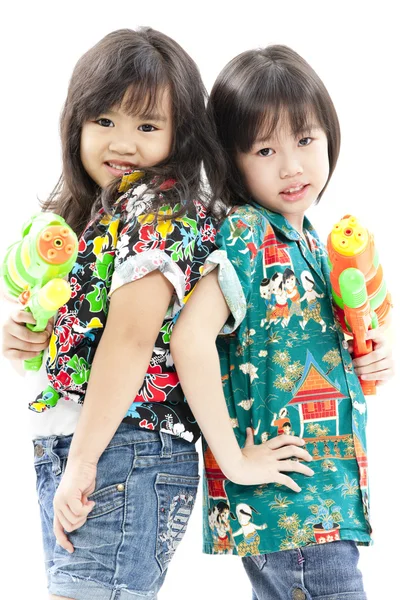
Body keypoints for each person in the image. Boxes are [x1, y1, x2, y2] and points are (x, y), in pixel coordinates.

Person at [1, 26, 228, 600]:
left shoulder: (157, 205)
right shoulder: (107, 215)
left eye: (147, 126)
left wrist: (81, 464)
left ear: (181, 136)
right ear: (75, 124)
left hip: (121, 450)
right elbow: (107, 330)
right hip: (102, 447)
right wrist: (41, 333)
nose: (121, 142)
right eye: (104, 121)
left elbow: (132, 341)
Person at [171, 45, 394, 599]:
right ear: (231, 160)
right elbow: (190, 336)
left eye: (305, 140)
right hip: (294, 510)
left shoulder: (313, 242)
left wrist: (367, 353)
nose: (292, 166)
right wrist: (234, 460)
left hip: (321, 505)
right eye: (265, 149)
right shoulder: (249, 233)